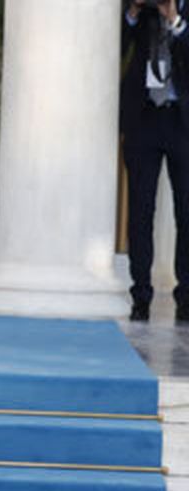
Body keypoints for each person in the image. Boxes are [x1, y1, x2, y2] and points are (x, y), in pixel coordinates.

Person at [122, 0, 189, 322]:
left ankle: (187, 296)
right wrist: (133, 11)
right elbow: (114, 47)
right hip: (143, 117)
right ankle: (141, 294)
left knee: (187, 214)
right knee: (140, 212)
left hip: (183, 122)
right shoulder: (139, 9)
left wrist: (174, 19)